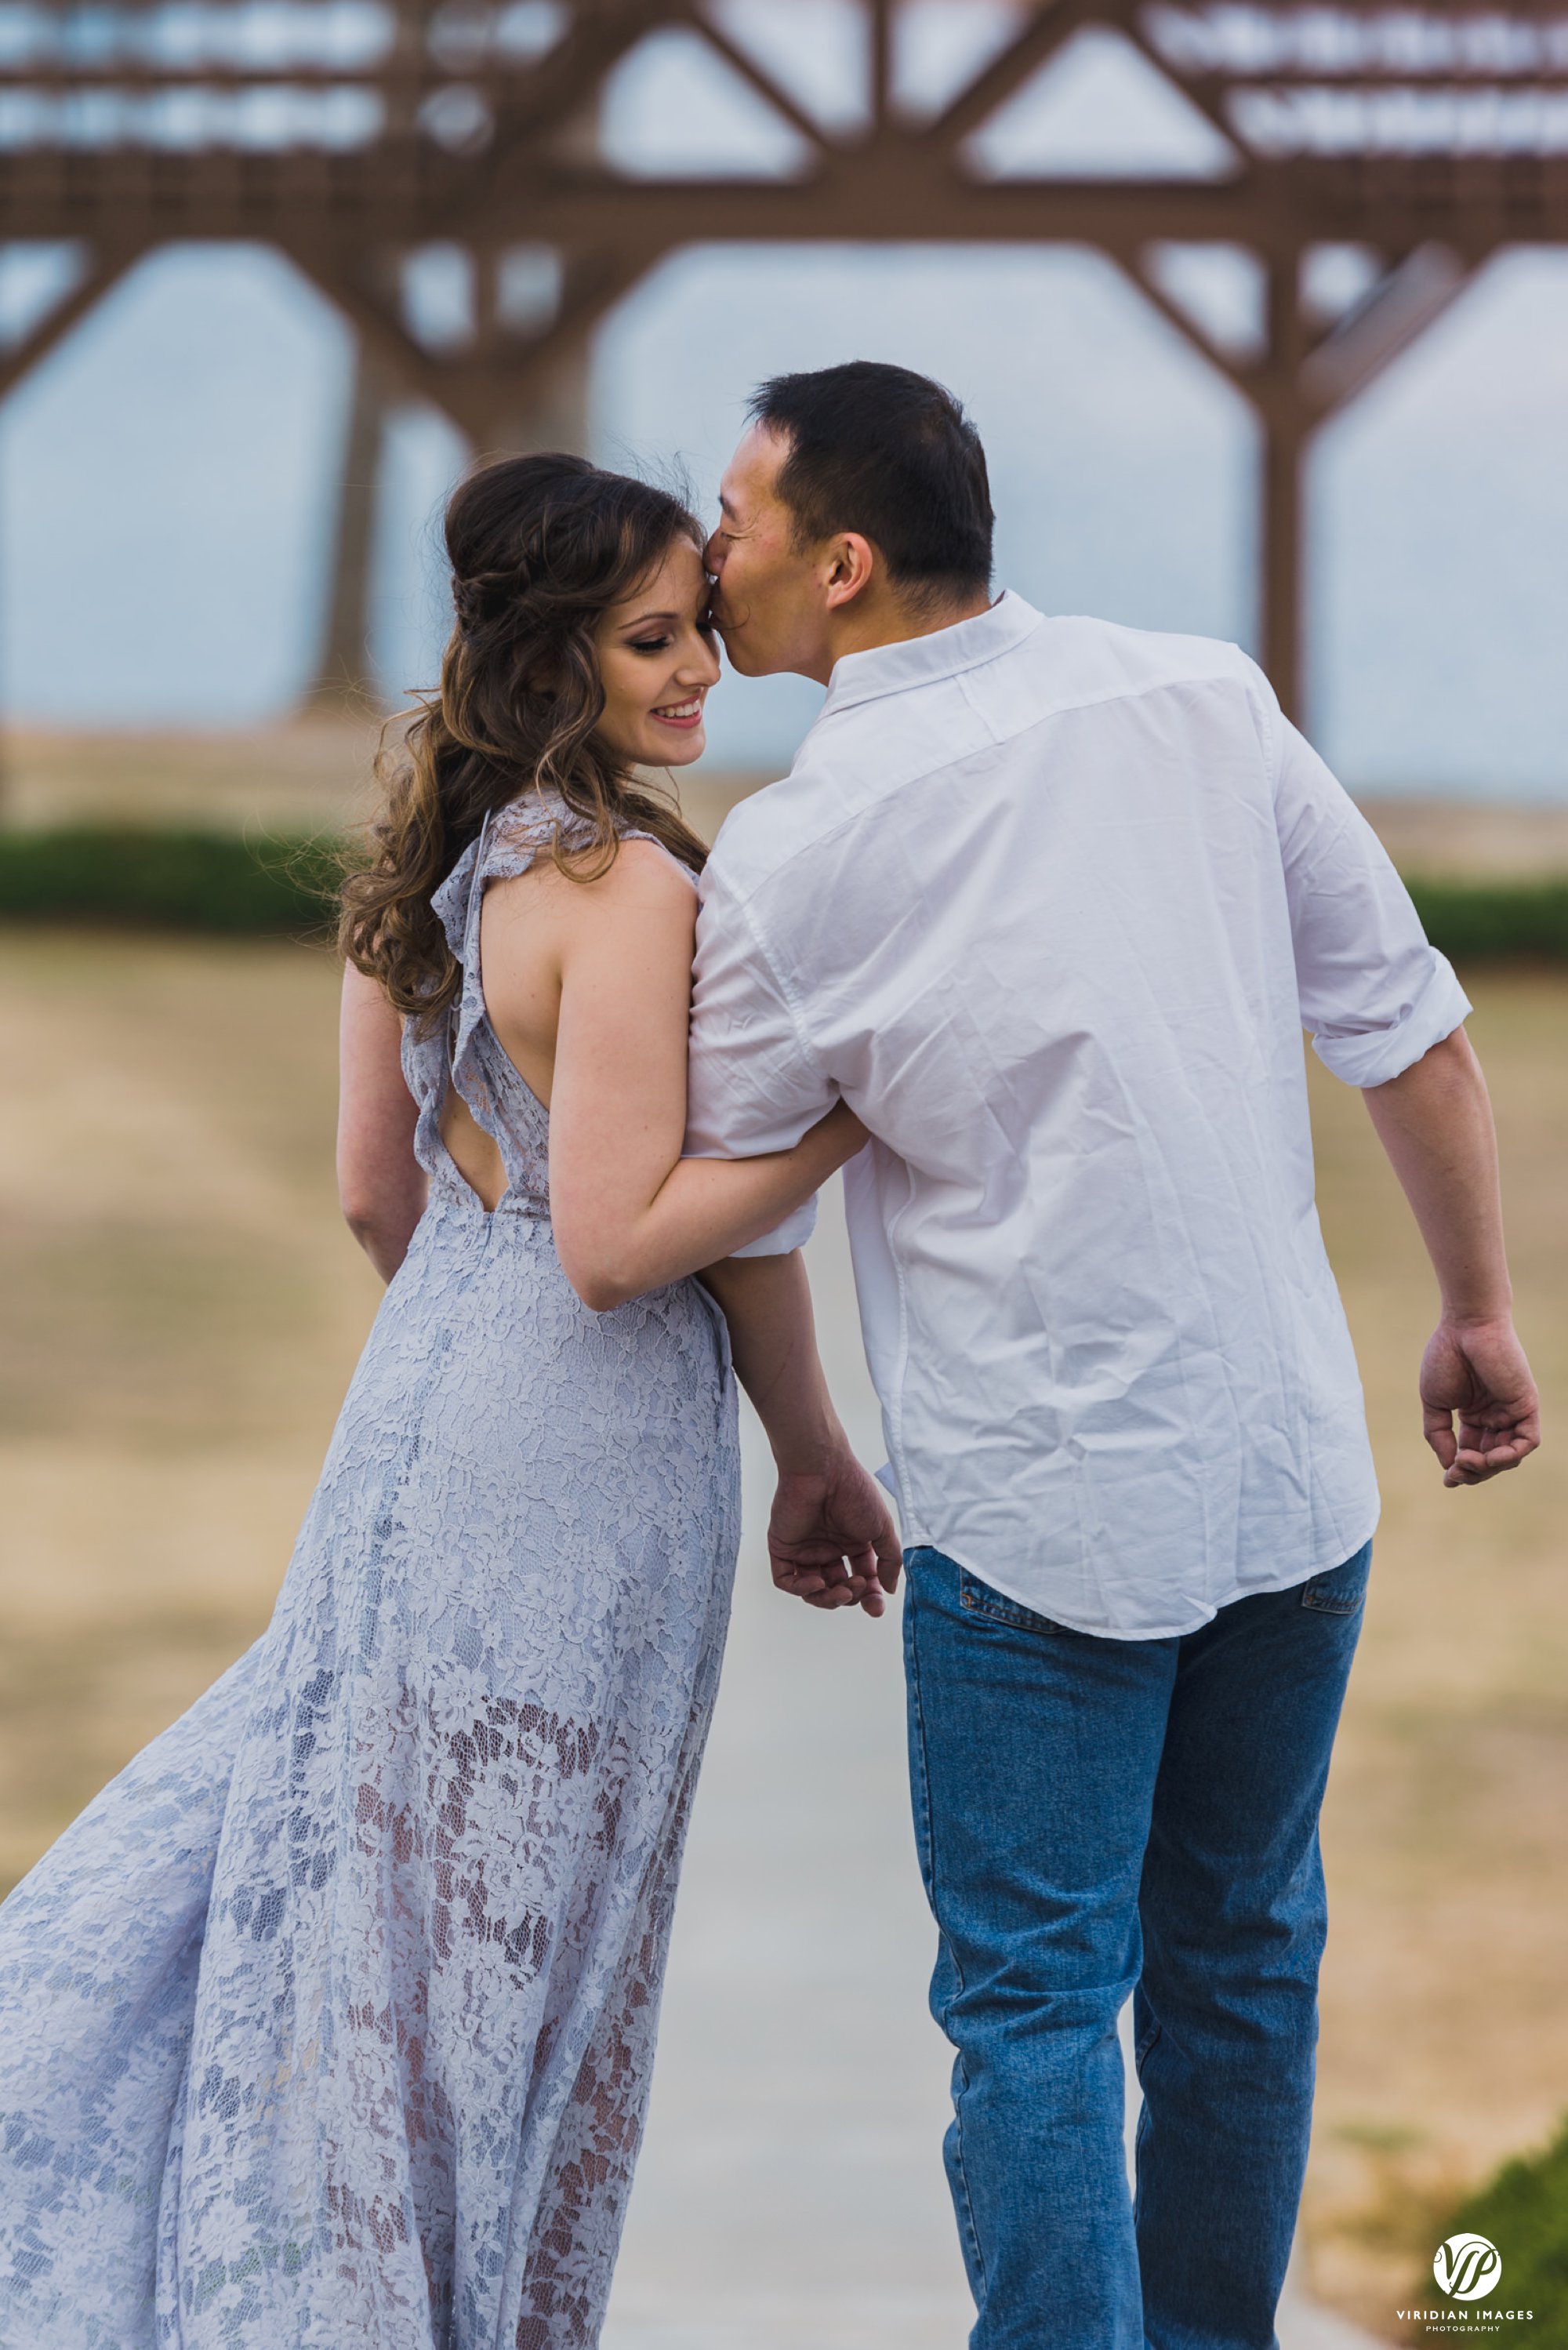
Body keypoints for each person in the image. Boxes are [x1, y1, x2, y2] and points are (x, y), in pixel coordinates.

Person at [685, 360, 1541, 2349]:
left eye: (730, 518)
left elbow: (740, 1207)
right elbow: (1406, 1025)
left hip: (1029, 1503)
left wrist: (812, 1453)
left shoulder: (795, 854)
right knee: (1243, 1963)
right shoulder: (1200, 695)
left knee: (1033, 2001)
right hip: (1282, 1467)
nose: (707, 549)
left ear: (842, 561)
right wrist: (1475, 1308)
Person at [0, 453, 897, 2350]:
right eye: (651, 643)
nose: (695, 675)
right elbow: (621, 1237)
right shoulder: (632, 885)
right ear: (555, 652)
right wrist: (836, 1125)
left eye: (693, 633)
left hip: (417, 1414)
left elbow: (372, 1188)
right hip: (578, 1454)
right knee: (508, 1940)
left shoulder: (430, 849)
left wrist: (471, 1349)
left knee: (354, 1912)